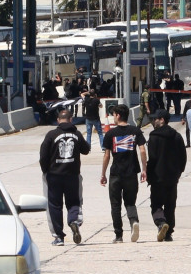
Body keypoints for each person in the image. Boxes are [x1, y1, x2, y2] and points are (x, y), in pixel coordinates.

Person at [39, 107, 90, 246]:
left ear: (58, 120)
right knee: (74, 202)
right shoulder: (77, 134)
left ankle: (59, 237)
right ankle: (73, 221)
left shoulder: (51, 134)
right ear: (71, 119)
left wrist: (45, 171)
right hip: (72, 174)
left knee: (55, 205)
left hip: (54, 175)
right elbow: (86, 150)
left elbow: (43, 155)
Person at [100, 105, 147, 243]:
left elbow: (107, 156)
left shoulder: (110, 134)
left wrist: (103, 174)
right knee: (130, 202)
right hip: (131, 172)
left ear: (118, 115)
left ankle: (119, 236)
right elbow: (143, 150)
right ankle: (133, 222)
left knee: (115, 205)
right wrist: (144, 169)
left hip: (116, 173)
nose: (113, 118)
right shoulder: (135, 131)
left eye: (113, 115)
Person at [146, 110, 186, 242]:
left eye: (155, 119)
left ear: (162, 120)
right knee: (170, 204)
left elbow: (152, 159)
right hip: (172, 177)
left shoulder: (154, 137)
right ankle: (168, 233)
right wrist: (179, 172)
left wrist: (149, 175)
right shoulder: (177, 136)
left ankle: (161, 223)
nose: (153, 122)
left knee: (156, 204)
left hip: (158, 177)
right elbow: (183, 157)